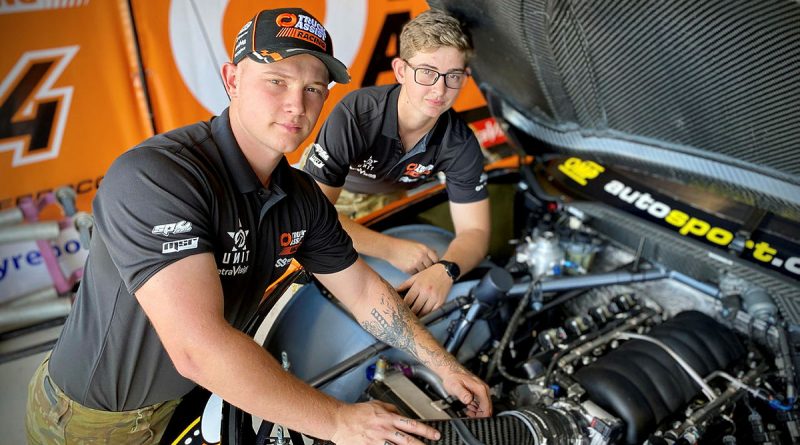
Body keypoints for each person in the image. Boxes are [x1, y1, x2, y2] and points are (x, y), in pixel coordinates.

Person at [25, 8, 491, 445]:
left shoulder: (301, 197)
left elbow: (365, 294)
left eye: (314, 88)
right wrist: (338, 421)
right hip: (97, 419)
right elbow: (198, 348)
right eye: (276, 80)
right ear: (232, 79)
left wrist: (444, 365)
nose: (297, 103)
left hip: (192, 397)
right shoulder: (158, 176)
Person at [302, 9, 491, 317]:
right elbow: (311, 218)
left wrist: (447, 270)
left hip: (390, 195)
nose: (440, 89)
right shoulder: (357, 114)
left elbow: (476, 231)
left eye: (453, 76)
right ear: (401, 71)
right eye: (427, 72)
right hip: (332, 194)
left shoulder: (460, 141)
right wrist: (390, 248)